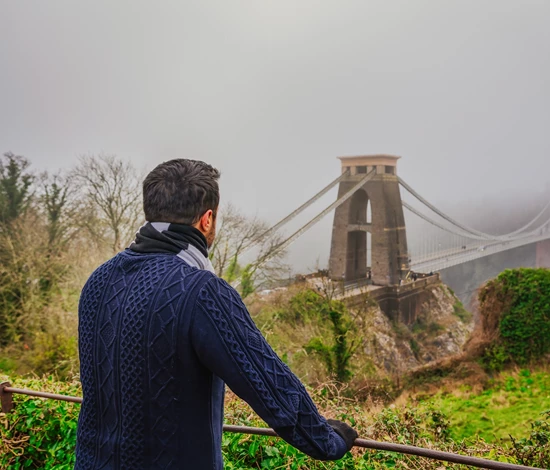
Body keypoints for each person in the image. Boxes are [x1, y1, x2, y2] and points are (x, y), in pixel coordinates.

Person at [75, 159, 357, 470]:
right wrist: (329, 441)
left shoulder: (99, 281)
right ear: (207, 219)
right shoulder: (201, 292)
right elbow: (269, 385)